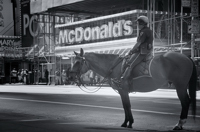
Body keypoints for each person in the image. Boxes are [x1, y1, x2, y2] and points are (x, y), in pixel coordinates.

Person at [117, 16, 153, 89]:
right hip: (146, 50)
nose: (137, 25)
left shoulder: (143, 31)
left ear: (142, 23)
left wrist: (131, 51)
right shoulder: (148, 30)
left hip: (142, 52)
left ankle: (122, 81)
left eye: (138, 24)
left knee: (130, 64)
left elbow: (139, 43)